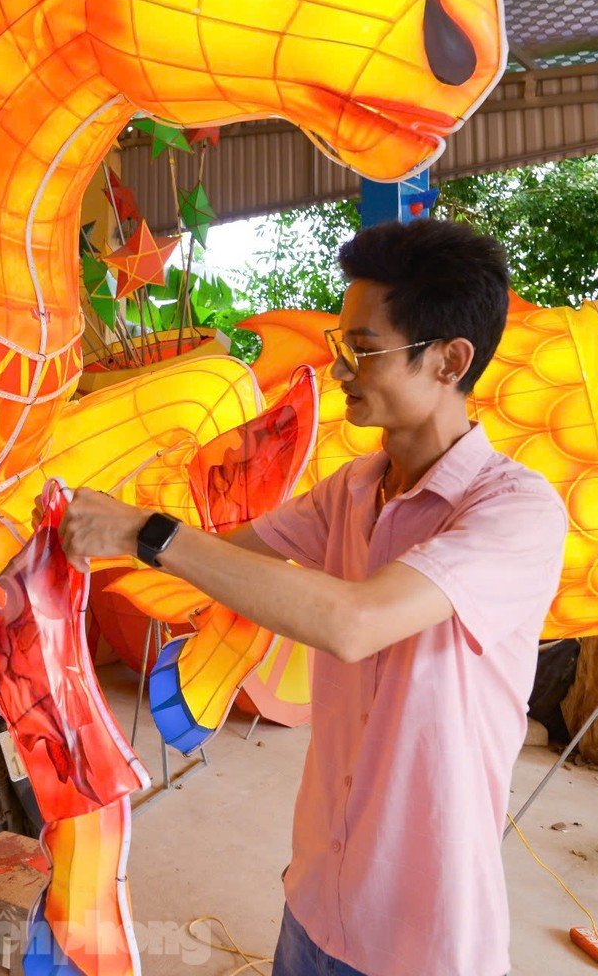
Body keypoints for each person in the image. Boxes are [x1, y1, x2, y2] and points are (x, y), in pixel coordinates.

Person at [59, 218, 569, 976]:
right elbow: (226, 558)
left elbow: (355, 623)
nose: (340, 371)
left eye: (364, 350)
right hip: (317, 897)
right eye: (343, 348)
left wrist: (147, 531)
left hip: (423, 933)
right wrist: (81, 543)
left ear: (449, 361)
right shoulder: (355, 488)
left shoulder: (515, 511)